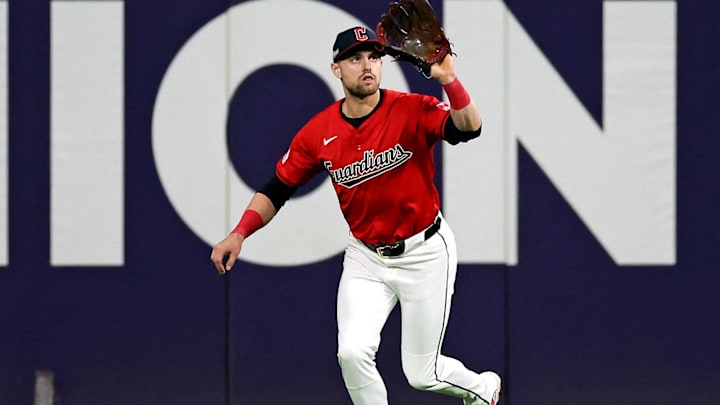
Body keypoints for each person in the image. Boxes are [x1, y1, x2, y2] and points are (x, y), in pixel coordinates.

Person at [210, 26, 501, 405]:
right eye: (355, 58)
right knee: (351, 353)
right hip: (366, 257)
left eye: (374, 57)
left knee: (422, 374)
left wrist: (449, 80)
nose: (367, 65)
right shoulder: (319, 132)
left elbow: (470, 128)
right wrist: (239, 233)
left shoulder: (410, 109)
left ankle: (482, 390)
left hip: (425, 252)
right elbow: (277, 188)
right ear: (336, 69)